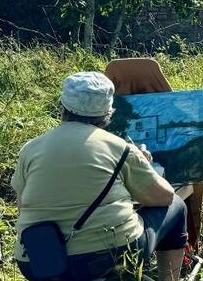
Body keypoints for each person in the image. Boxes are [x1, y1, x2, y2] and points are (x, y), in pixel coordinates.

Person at [13, 72, 187, 281]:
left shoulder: (30, 149)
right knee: (177, 206)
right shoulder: (120, 148)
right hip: (106, 257)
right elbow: (163, 197)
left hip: (38, 261)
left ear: (62, 107)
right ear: (107, 114)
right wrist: (143, 164)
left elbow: (23, 206)